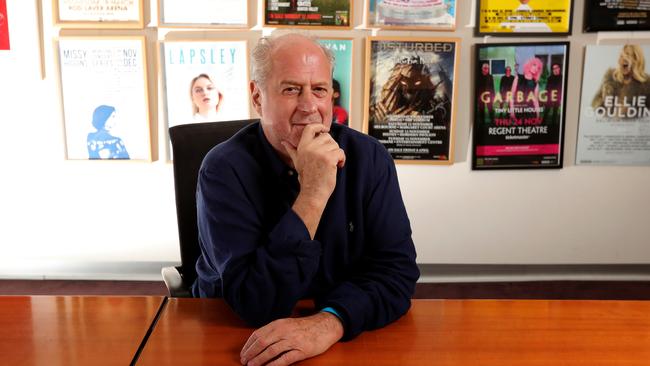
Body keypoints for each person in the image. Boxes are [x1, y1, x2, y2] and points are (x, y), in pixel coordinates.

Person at [192, 33, 419, 366]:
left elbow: (397, 273)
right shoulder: (223, 168)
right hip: (234, 336)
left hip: (340, 333)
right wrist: (313, 192)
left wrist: (329, 322)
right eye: (291, 89)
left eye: (320, 89)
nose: (309, 105)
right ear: (257, 97)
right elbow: (256, 303)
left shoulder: (369, 157)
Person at [592, 44, 650, 119]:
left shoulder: (647, 83)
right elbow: (595, 103)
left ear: (637, 60)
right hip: (607, 125)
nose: (623, 59)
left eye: (628, 56)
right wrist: (605, 108)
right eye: (621, 56)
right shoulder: (610, 76)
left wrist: (631, 111)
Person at [510, 57, 542, 122]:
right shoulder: (518, 78)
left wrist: (538, 116)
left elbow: (535, 101)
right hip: (518, 112)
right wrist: (512, 111)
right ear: (529, 65)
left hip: (531, 114)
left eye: (538, 68)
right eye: (534, 65)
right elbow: (511, 96)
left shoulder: (536, 84)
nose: (536, 68)